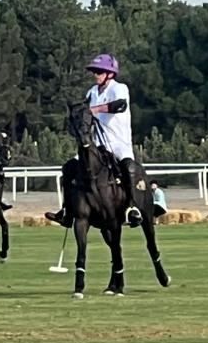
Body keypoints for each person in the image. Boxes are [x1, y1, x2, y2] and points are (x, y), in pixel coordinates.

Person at [46, 53, 143, 228]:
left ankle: (131, 208)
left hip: (119, 144)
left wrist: (94, 109)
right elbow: (84, 113)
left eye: (99, 71)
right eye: (95, 72)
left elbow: (120, 105)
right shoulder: (92, 92)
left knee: (129, 167)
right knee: (68, 168)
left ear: (110, 74)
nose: (96, 75)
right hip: (98, 145)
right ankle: (67, 211)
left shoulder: (119, 88)